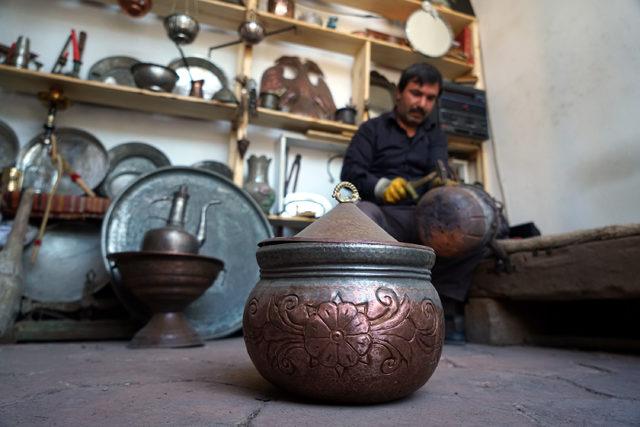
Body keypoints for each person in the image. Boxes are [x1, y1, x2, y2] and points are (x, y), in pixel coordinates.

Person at [340, 63, 484, 342]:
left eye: (430, 98)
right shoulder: (371, 130)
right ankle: (367, 310)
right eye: (416, 93)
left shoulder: (435, 135)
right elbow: (349, 175)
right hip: (382, 215)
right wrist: (381, 187)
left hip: (423, 217)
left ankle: (443, 307)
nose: (422, 103)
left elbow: (439, 170)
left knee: (474, 230)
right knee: (360, 214)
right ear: (399, 93)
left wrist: (445, 184)